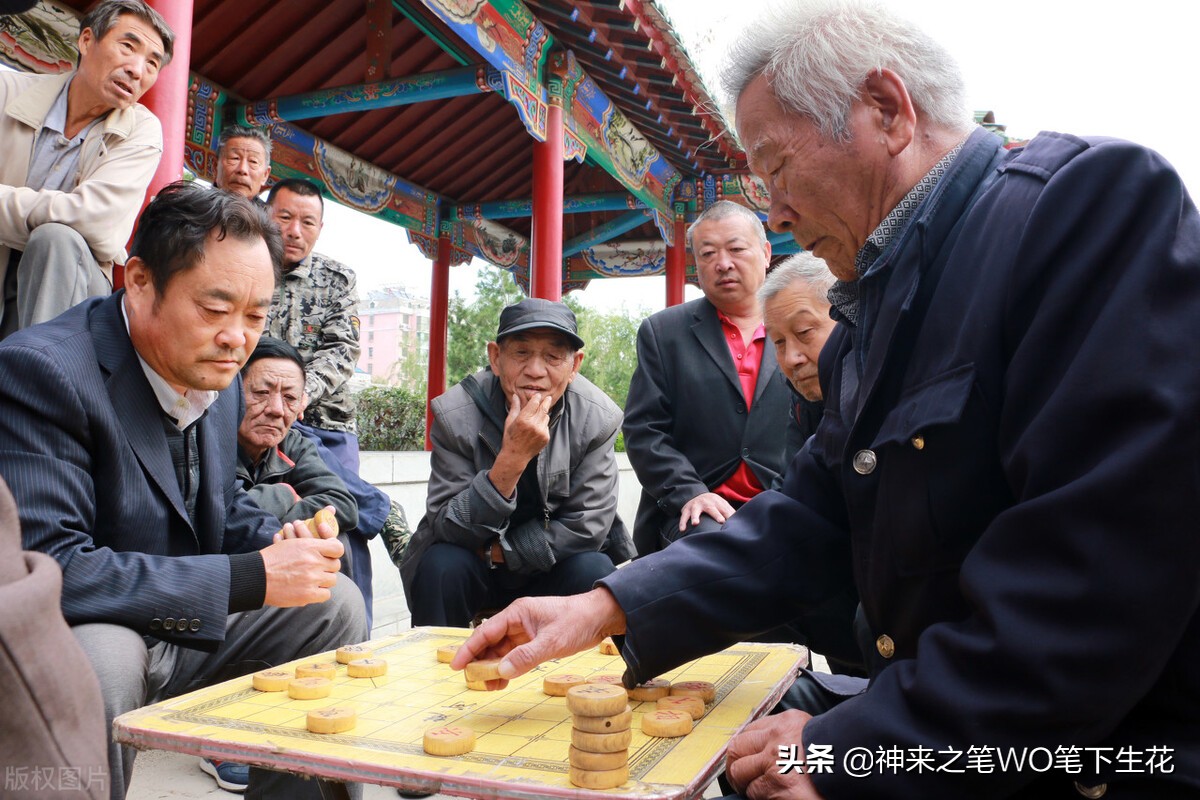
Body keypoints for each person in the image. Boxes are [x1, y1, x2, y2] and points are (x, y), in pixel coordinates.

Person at [452, 1, 1200, 797]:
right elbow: (812, 513)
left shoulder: (1080, 212)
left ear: (886, 111)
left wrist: (861, 749)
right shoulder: (872, 308)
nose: (775, 212)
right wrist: (604, 605)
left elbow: (1095, 582)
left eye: (777, 171)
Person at [0, 182, 367, 800]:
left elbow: (212, 510)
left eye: (255, 316)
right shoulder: (43, 371)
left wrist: (283, 540)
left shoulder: (216, 377)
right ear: (140, 281)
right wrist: (252, 577)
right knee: (99, 661)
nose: (237, 339)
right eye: (215, 309)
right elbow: (52, 568)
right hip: (96, 623)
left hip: (180, 617)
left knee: (333, 604)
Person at [399, 298, 622, 627]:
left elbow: (587, 527)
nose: (535, 370)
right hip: (474, 567)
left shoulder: (597, 419)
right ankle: (433, 658)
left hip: (551, 566)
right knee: (441, 565)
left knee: (594, 570)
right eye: (521, 353)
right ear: (495, 358)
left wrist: (501, 552)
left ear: (575, 365)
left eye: (553, 357)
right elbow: (448, 524)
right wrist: (512, 458)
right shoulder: (455, 414)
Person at [622, 199, 791, 555]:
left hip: (785, 499)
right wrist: (691, 492)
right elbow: (644, 430)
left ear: (765, 253)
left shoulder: (799, 326)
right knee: (716, 550)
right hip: (696, 510)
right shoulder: (664, 333)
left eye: (736, 249)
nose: (723, 263)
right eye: (708, 253)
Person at [0, 0, 172, 338]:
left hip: (72, 286)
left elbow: (98, 225)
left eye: (152, 63)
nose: (137, 70)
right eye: (128, 46)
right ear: (87, 40)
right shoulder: (8, 92)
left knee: (55, 239)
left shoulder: (142, 131)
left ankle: (40, 369)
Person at [264, 177, 392, 627]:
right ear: (266, 216)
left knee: (341, 522)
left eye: (307, 222)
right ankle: (383, 510)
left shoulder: (336, 279)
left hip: (325, 422)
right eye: (284, 217)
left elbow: (343, 350)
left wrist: (301, 393)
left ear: (320, 228)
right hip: (259, 417)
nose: (294, 230)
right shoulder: (245, 266)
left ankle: (358, 631)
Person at [0, 475, 108, 800]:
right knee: (111, 667)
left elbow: (230, 510)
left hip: (197, 605)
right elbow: (63, 558)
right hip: (102, 615)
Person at [237, 336, 359, 576]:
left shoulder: (293, 444)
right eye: (261, 392)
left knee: (332, 535)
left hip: (282, 568)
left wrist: (288, 526)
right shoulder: (208, 443)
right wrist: (284, 494)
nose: (276, 409)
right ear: (232, 394)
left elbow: (343, 505)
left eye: (290, 398)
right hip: (229, 576)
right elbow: (223, 518)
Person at [759, 252, 837, 463]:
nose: (791, 359)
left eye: (804, 331)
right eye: (779, 342)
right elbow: (795, 477)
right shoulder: (802, 405)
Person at [214, 125, 272, 201]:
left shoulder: (270, 209)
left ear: (265, 175)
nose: (242, 169)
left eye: (253, 161)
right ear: (215, 167)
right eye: (234, 158)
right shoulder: (198, 206)